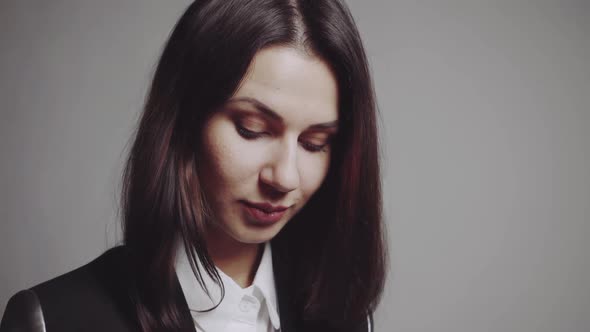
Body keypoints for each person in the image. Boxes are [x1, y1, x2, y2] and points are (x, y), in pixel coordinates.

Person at [0, 0, 386, 331]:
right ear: (184, 119)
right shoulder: (56, 319)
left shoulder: (344, 316)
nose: (285, 177)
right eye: (252, 130)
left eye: (314, 143)